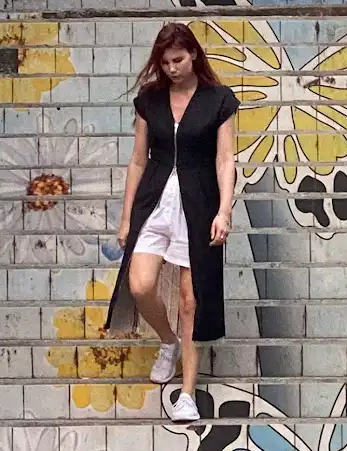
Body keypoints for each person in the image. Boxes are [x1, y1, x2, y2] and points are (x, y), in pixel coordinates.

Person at [104, 22, 240, 422]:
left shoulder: (219, 100)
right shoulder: (150, 100)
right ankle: (168, 341)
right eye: (165, 62)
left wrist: (224, 211)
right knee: (140, 284)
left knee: (189, 301)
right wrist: (126, 218)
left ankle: (187, 394)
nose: (172, 68)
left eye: (178, 60)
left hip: (199, 207)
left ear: (193, 54)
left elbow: (225, 159)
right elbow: (137, 160)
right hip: (154, 204)